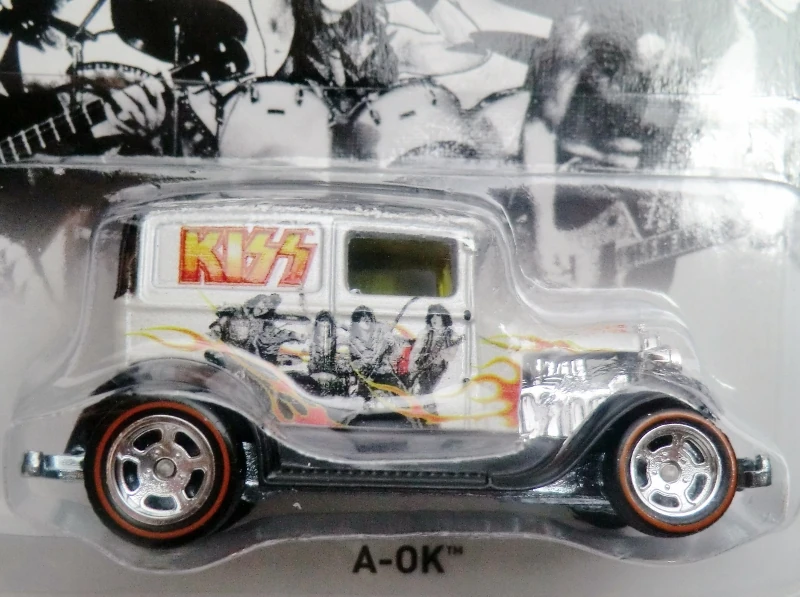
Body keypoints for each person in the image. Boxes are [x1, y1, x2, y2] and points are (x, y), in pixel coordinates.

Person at [347, 305, 404, 398]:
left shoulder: (382, 332)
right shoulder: (351, 340)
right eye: (362, 317)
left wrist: (392, 344)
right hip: (365, 377)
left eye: (368, 317)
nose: (366, 320)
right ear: (356, 322)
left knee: (402, 394)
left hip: (384, 374)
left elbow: (397, 354)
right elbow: (351, 363)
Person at [408, 304, 463, 395]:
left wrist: (443, 353)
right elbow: (416, 350)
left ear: (444, 317)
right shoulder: (425, 333)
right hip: (422, 367)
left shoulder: (452, 336)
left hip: (440, 371)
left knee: (429, 392)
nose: (434, 319)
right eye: (432, 315)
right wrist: (411, 363)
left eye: (437, 315)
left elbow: (452, 357)